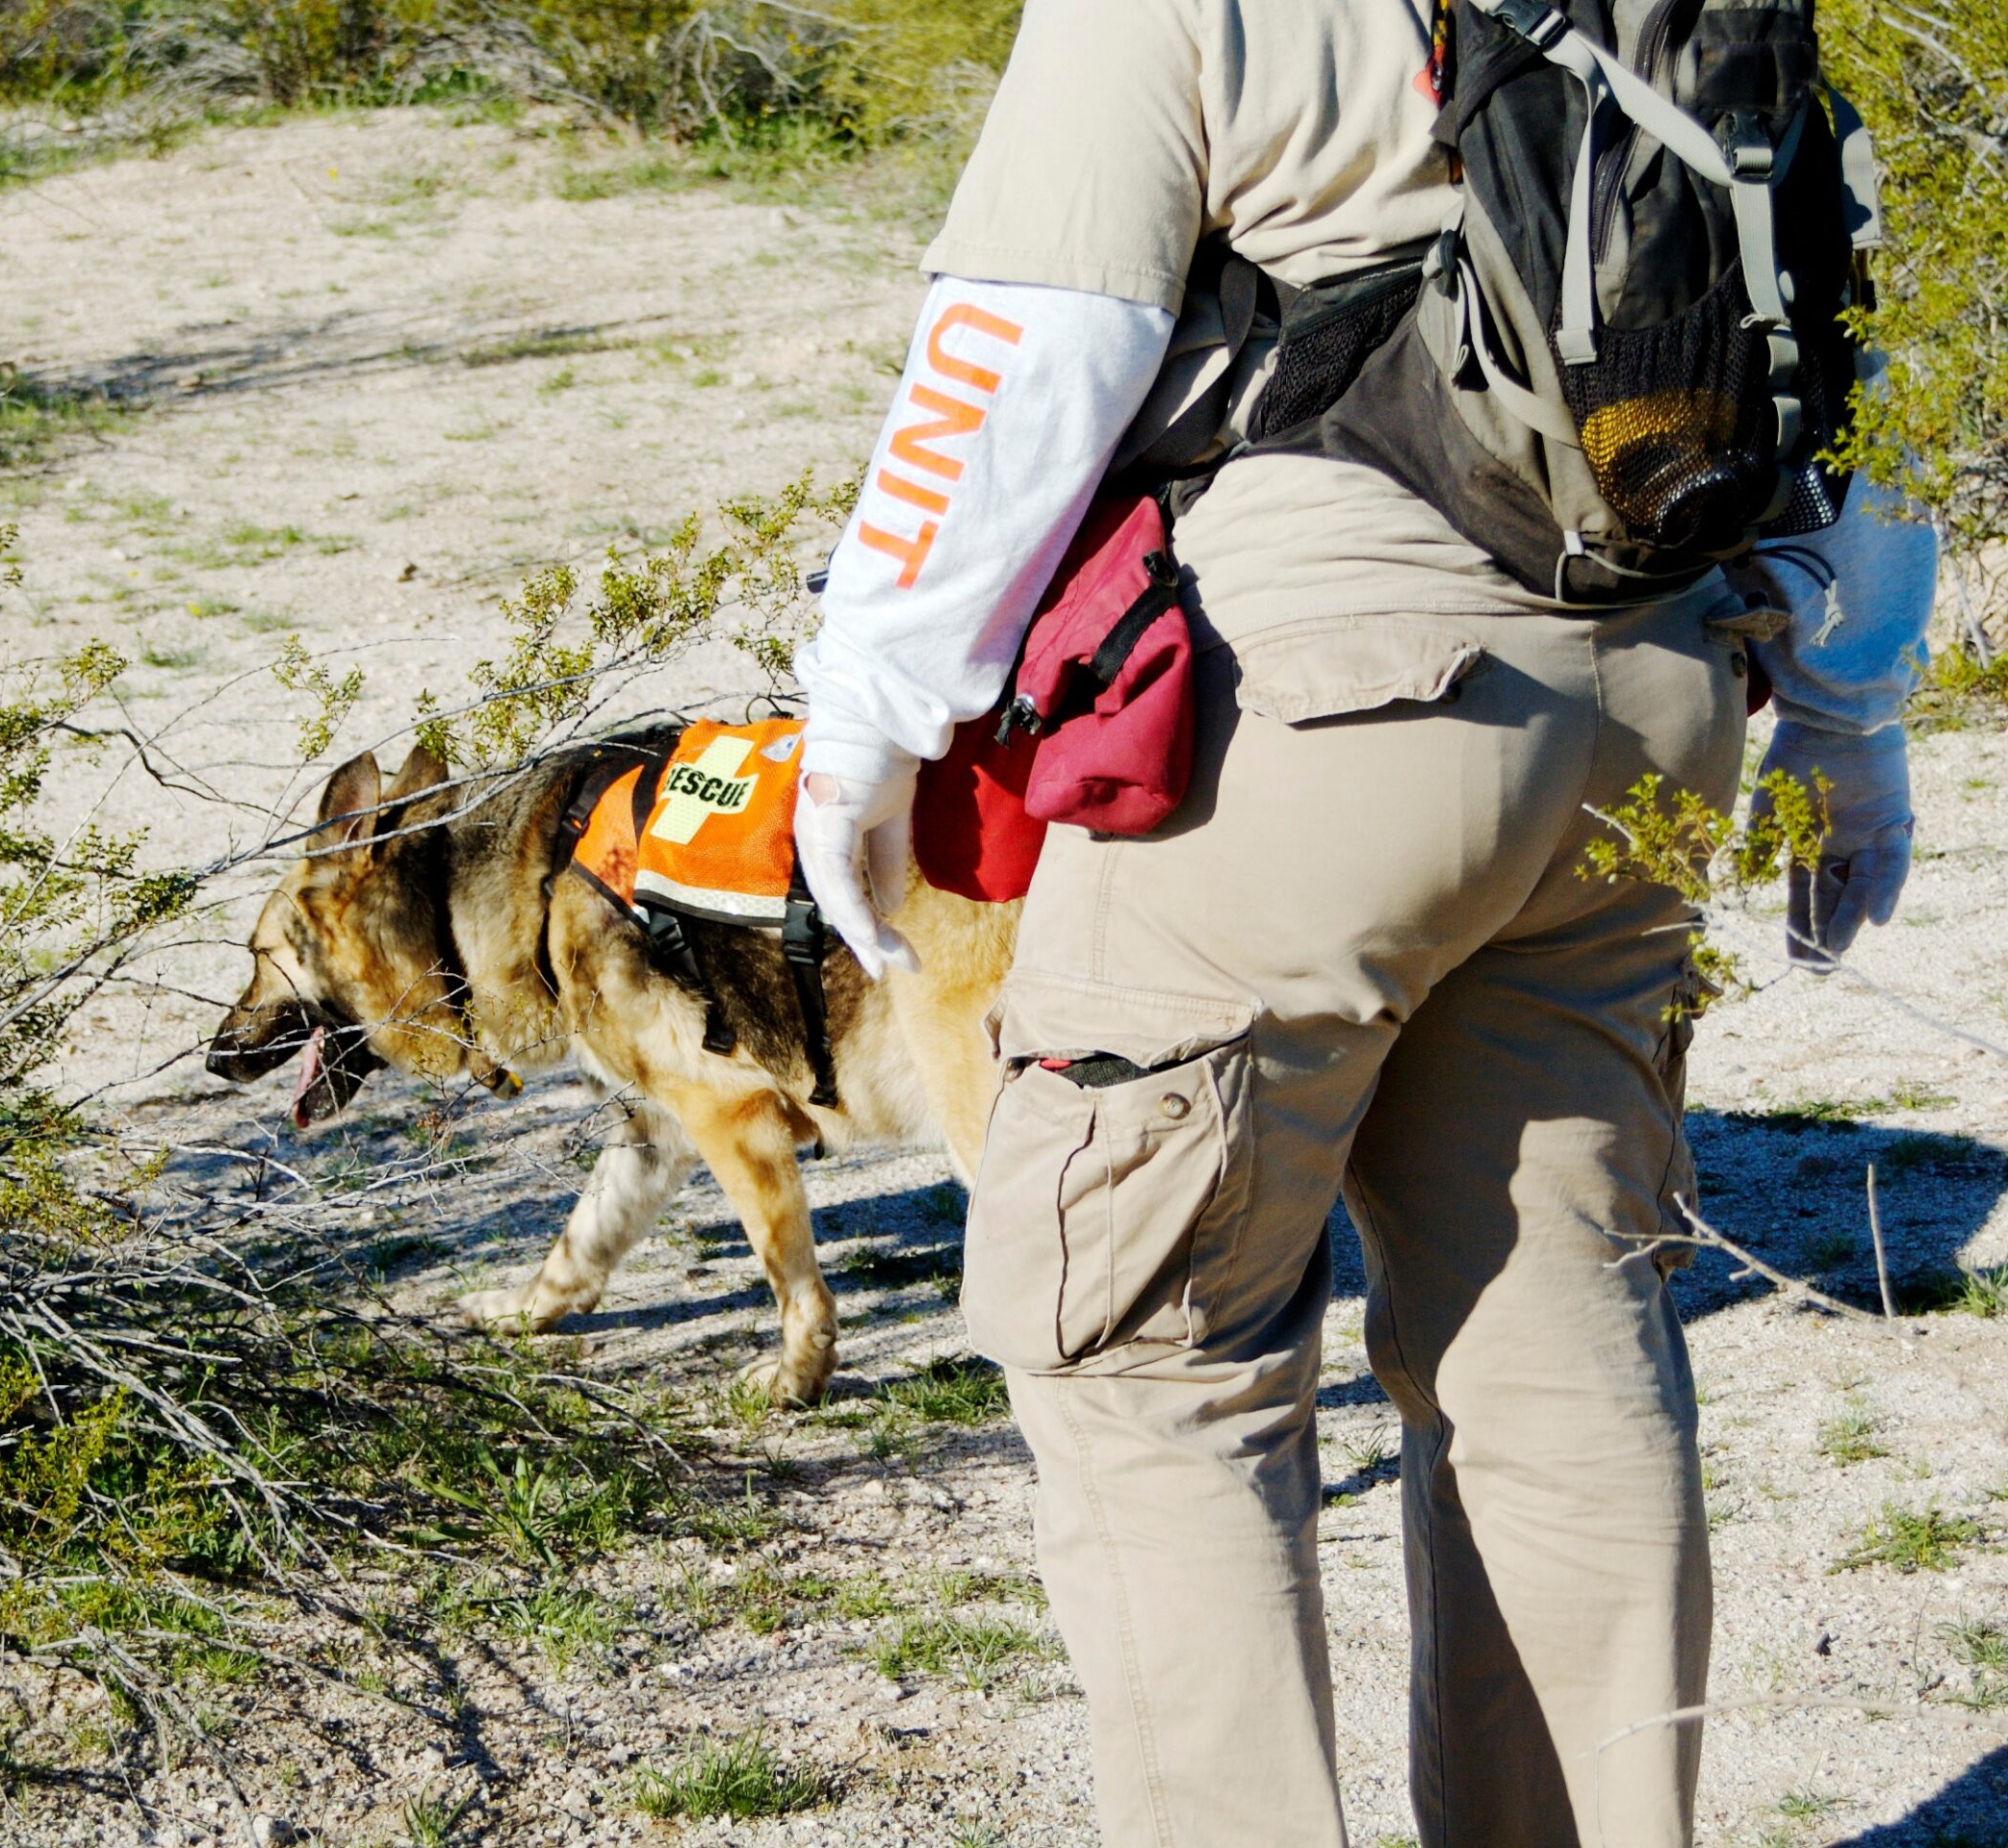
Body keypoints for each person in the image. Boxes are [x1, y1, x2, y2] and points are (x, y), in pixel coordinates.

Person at [787, 2, 1934, 1843]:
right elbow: (1824, 309)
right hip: (1650, 692)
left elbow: (1024, 347)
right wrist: (1856, 709)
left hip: (1318, 701)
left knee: (1146, 1347)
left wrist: (867, 706)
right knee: (1560, 1337)